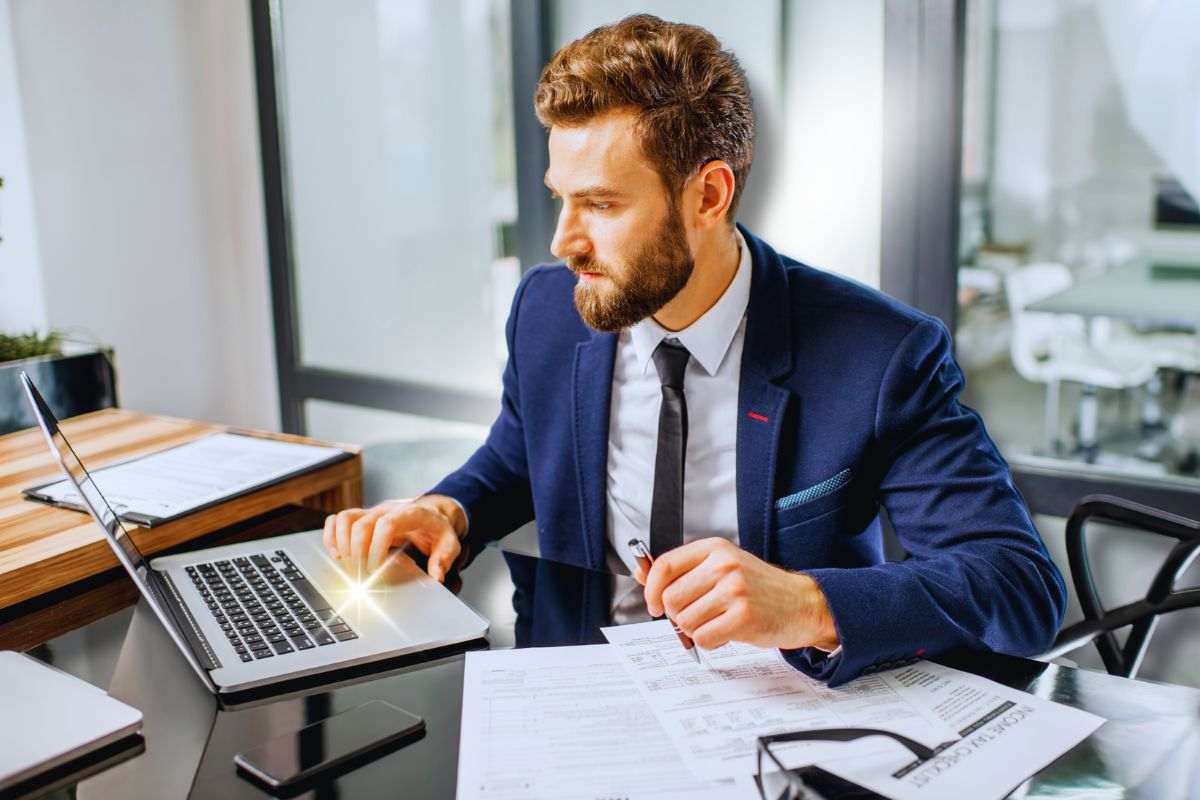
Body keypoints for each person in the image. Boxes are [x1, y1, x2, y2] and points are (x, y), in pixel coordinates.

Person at [324, 14, 1066, 685]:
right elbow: (519, 453)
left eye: (603, 205)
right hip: (573, 691)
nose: (562, 242)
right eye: (561, 197)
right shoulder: (548, 311)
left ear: (708, 196)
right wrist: (449, 508)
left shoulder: (880, 355)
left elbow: (1019, 588)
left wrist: (807, 603)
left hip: (783, 709)